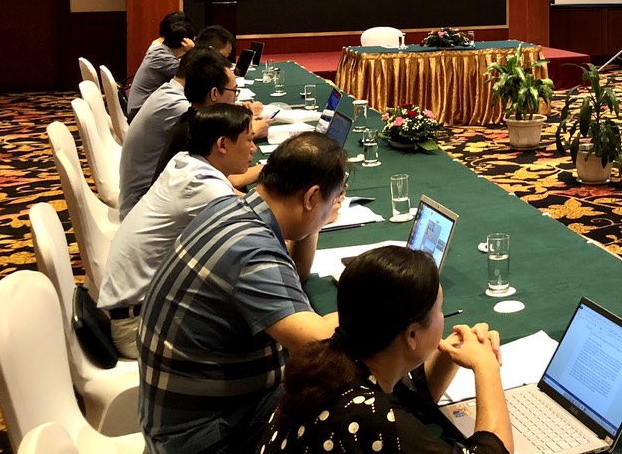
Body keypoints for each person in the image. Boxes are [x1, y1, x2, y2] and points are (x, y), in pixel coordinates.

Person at [138, 132, 347, 454]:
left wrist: (315, 220)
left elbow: (297, 271)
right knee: (347, 395)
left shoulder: (230, 207)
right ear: (310, 197)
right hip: (203, 437)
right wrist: (392, 301)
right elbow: (318, 342)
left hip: (187, 414)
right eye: (334, 198)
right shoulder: (252, 252)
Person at [259, 247, 512, 454]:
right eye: (439, 309)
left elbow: (411, 398)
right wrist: (486, 366)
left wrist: (452, 354)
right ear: (411, 335)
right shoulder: (372, 417)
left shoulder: (333, 361)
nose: (443, 317)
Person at [98, 103, 256, 358]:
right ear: (222, 144)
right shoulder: (203, 187)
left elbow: (237, 199)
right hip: (138, 327)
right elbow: (258, 228)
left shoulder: (185, 162)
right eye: (249, 140)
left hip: (138, 309)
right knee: (257, 331)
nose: (253, 148)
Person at [119, 48, 263, 219]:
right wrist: (267, 169)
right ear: (214, 93)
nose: (236, 99)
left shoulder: (190, 119)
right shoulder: (194, 132)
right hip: (140, 203)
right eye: (234, 92)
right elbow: (233, 184)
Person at [127, 11, 194, 119]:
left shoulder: (160, 51)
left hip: (143, 111)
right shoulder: (162, 57)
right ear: (185, 42)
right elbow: (193, 74)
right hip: (140, 113)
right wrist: (192, 51)